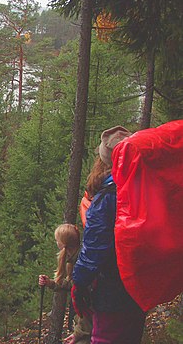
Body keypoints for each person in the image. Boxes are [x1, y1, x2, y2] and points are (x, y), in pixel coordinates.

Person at [72, 126, 146, 344]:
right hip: (140, 286)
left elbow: (94, 248)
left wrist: (79, 284)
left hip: (113, 289)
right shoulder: (143, 185)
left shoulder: (108, 195)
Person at [39, 224, 92, 344]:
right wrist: (50, 283)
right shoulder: (74, 259)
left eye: (57, 240)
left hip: (87, 322)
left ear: (63, 243)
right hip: (84, 321)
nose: (56, 242)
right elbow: (70, 285)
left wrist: (79, 333)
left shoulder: (81, 264)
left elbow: (87, 303)